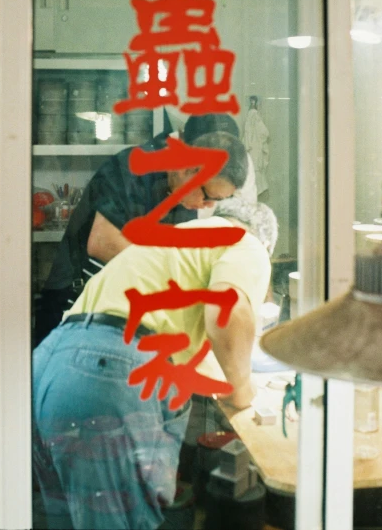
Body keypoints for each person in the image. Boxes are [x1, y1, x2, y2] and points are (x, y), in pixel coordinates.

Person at [32, 205, 271, 530]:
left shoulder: (170, 245)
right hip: (108, 375)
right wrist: (242, 392)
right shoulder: (245, 242)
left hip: (51, 366)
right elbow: (227, 315)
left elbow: (191, 343)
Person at [35, 121, 249, 343]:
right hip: (73, 304)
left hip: (118, 310)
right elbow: (102, 242)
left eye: (217, 201)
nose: (208, 206)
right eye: (207, 195)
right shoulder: (134, 167)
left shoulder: (184, 196)